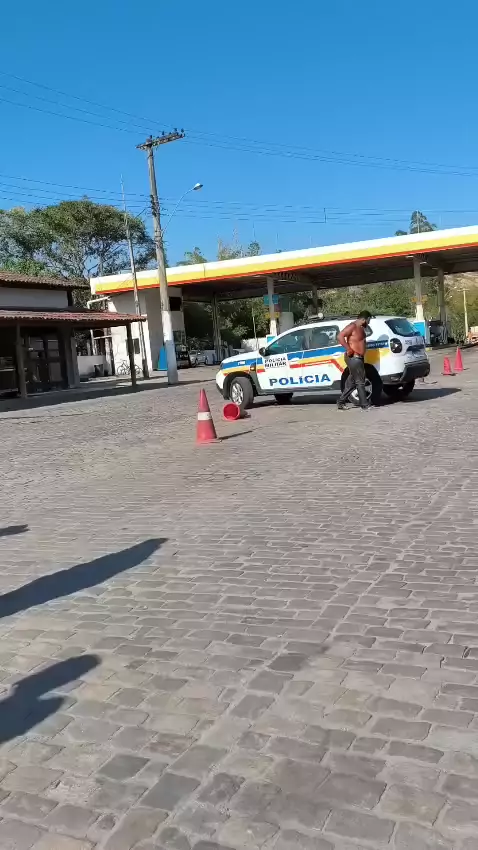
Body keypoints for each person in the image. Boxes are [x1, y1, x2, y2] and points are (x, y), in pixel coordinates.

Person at [336, 311, 372, 410]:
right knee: (360, 381)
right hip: (353, 357)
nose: (369, 322)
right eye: (368, 320)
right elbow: (340, 336)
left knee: (352, 382)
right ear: (363, 319)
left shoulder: (361, 328)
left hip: (359, 357)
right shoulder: (352, 326)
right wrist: (348, 349)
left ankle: (341, 401)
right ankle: (364, 404)